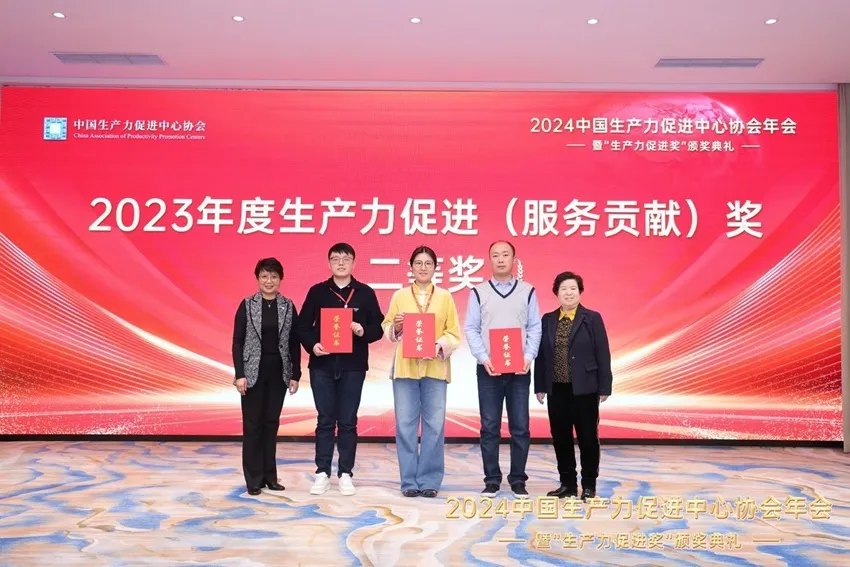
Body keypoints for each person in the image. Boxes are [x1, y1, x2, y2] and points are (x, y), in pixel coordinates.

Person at [298, 242, 385, 496]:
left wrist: (362, 330)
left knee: (348, 421)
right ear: (329, 263)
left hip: (353, 367)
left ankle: (346, 473)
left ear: (353, 263)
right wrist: (313, 345)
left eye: (346, 258)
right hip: (322, 365)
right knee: (325, 420)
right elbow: (302, 326)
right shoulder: (317, 292)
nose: (340, 263)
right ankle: (322, 472)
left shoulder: (365, 293)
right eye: (335, 258)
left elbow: (378, 329)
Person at [382, 246, 461, 498]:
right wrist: (396, 327)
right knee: (405, 426)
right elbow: (387, 327)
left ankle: (429, 480)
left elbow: (454, 334)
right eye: (418, 263)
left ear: (435, 267)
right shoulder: (400, 296)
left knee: (434, 426)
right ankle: (408, 481)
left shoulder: (445, 297)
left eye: (428, 263)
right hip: (405, 369)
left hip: (435, 369)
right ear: (411, 267)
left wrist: (438, 345)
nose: (423, 267)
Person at [464, 241, 542, 497]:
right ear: (489, 260)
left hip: (519, 371)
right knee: (489, 426)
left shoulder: (527, 291)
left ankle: (518, 479)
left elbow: (535, 327)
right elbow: (471, 329)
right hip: (488, 370)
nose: (500, 259)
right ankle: (492, 479)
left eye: (505, 255)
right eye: (495, 255)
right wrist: (483, 357)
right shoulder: (478, 292)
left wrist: (528, 356)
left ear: (513, 259)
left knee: (520, 426)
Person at [534, 271, 612, 501]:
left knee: (588, 438)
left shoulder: (592, 318)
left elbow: (603, 353)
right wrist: (540, 385)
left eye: (573, 289)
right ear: (556, 293)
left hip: (585, 389)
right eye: (564, 289)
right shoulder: (548, 319)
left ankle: (588, 485)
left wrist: (604, 386)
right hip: (557, 389)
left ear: (580, 292)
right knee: (561, 438)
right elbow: (541, 355)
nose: (568, 293)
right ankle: (567, 484)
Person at [232, 257, 302, 496]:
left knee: (271, 424)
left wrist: (295, 373)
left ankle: (270, 477)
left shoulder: (287, 305)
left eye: (273, 276)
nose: (269, 281)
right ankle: (253, 479)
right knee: (253, 425)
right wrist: (239, 374)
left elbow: (294, 342)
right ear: (257, 278)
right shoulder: (247, 304)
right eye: (264, 276)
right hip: (252, 373)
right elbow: (237, 341)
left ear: (280, 279)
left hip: (278, 373)